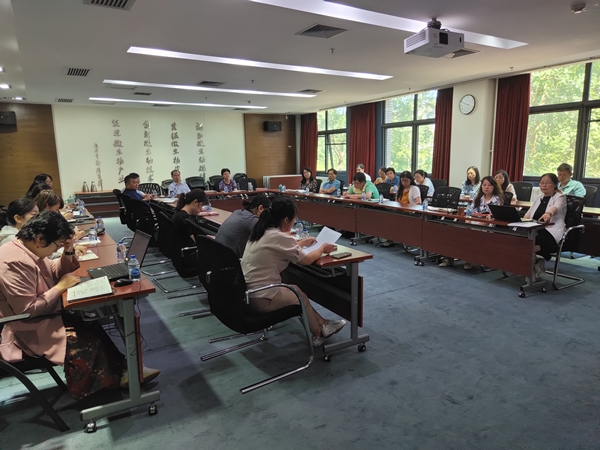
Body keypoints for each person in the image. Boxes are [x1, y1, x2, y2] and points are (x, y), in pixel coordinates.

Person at [0, 211, 161, 398]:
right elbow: (27, 310)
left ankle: (126, 369)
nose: (54, 251)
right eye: (56, 245)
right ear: (40, 239)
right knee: (87, 341)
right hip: (26, 329)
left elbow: (53, 270)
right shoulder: (13, 262)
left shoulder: (28, 249)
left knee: (91, 321)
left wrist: (68, 250)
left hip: (45, 316)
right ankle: (106, 385)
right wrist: (60, 287)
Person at [241, 197, 346, 347]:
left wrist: (300, 243)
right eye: (294, 218)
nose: (295, 221)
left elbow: (279, 248)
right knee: (299, 296)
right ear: (286, 220)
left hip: (247, 294)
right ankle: (319, 333)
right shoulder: (279, 236)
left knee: (295, 289)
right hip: (261, 298)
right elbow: (307, 260)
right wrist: (322, 248)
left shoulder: (261, 231)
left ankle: (323, 324)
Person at [524, 173, 567, 280]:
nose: (544, 185)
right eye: (542, 182)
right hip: (535, 229)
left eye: (548, 183)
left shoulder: (560, 197)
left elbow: (556, 208)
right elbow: (528, 214)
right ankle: (535, 262)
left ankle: (532, 268)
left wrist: (549, 213)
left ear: (555, 184)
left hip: (551, 231)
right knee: (517, 238)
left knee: (528, 245)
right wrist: (520, 222)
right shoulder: (538, 198)